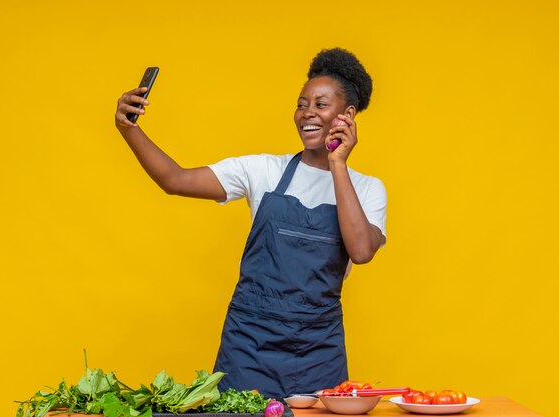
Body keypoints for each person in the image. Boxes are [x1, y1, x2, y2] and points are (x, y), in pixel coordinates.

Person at [114, 48, 387, 398]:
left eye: (320, 105)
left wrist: (338, 164)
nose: (307, 114)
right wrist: (127, 128)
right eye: (302, 104)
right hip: (249, 347)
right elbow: (175, 179)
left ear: (347, 115)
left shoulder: (367, 188)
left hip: (320, 351)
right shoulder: (263, 170)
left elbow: (362, 251)